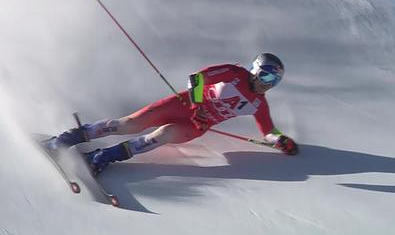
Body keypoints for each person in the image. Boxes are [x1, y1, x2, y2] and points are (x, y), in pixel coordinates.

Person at [46, 53, 298, 175]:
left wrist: (281, 140)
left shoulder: (258, 104)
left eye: (274, 80)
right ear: (255, 70)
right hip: (182, 104)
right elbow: (197, 78)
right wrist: (198, 107)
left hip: (196, 126)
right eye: (265, 75)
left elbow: (267, 130)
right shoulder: (234, 73)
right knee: (130, 124)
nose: (268, 83)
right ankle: (67, 138)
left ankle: (101, 157)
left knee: (161, 136)